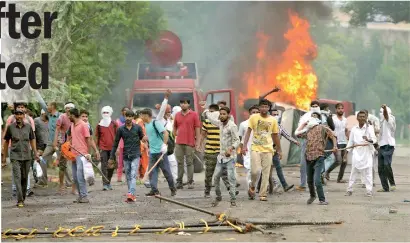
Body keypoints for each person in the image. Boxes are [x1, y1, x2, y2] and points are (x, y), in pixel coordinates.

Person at [242, 99, 282, 201]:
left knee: (266, 172)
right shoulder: (254, 118)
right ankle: (252, 185)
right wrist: (244, 145)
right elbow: (248, 132)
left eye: (266, 107)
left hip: (268, 149)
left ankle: (262, 194)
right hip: (255, 147)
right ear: (259, 107)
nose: (264, 108)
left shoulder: (273, 120)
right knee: (255, 171)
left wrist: (279, 149)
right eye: (262, 106)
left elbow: (275, 135)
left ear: (269, 108)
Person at [202, 104, 240, 207]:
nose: (222, 116)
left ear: (228, 115)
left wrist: (231, 149)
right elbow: (210, 118)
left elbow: (237, 140)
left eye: (224, 114)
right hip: (221, 157)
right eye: (220, 114)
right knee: (216, 177)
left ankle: (233, 199)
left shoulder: (232, 126)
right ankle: (218, 197)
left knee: (231, 178)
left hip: (230, 158)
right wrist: (205, 111)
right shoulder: (220, 124)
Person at [2, 108, 39, 207]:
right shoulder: (11, 127)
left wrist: (35, 153)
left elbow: (32, 139)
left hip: (27, 156)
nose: (18, 116)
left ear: (24, 116)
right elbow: (6, 142)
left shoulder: (28, 127)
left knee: (24, 177)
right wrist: (4, 157)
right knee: (17, 177)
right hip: (15, 156)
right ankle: (19, 200)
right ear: (14, 116)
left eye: (20, 114)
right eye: (17, 114)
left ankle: (22, 197)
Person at [256, 108, 298, 193]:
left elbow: (287, 136)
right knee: (265, 169)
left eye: (277, 114)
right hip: (266, 150)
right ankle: (258, 187)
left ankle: (285, 185)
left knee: (278, 168)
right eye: (274, 114)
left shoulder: (279, 127)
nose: (276, 116)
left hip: (275, 150)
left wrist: (295, 141)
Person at [110, 110, 146, 202]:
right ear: (124, 117)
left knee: (133, 174)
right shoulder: (120, 129)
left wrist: (145, 139)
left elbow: (142, 137)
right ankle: (132, 194)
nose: (129, 118)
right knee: (128, 176)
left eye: (130, 116)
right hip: (126, 155)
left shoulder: (137, 128)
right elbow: (115, 143)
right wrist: (111, 157)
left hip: (136, 154)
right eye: (127, 116)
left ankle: (130, 193)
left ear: (133, 118)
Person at [140, 108, 176, 197]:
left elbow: (166, 133)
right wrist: (146, 138)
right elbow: (152, 136)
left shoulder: (155, 123)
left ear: (146, 115)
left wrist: (164, 145)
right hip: (153, 153)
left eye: (142, 115)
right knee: (152, 172)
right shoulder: (146, 124)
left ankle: (173, 188)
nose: (141, 117)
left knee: (166, 171)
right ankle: (154, 190)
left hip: (161, 152)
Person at [67, 108, 100, 203]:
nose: (68, 117)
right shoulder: (72, 125)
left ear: (73, 115)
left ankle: (84, 196)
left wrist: (88, 154)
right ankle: (81, 196)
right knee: (75, 177)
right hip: (73, 154)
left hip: (82, 154)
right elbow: (71, 139)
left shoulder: (83, 125)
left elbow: (89, 139)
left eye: (69, 115)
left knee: (80, 175)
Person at [303, 113, 337, 205]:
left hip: (319, 156)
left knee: (317, 179)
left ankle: (322, 199)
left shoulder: (323, 128)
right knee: (309, 180)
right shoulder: (307, 130)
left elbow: (333, 136)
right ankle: (312, 195)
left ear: (319, 119)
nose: (313, 118)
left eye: (315, 117)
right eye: (312, 116)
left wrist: (334, 146)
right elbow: (297, 134)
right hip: (308, 156)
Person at [201, 104, 232, 198]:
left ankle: (230, 189)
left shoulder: (223, 123)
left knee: (223, 172)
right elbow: (203, 134)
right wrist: (199, 145)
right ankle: (207, 191)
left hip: (221, 152)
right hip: (210, 151)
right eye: (210, 112)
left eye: (213, 112)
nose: (211, 114)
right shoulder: (206, 122)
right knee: (209, 173)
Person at [345, 111, 377, 197]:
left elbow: (374, 140)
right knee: (353, 171)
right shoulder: (354, 129)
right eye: (360, 116)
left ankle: (369, 190)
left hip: (367, 151)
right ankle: (349, 189)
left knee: (368, 171)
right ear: (357, 118)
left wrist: (368, 139)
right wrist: (346, 154)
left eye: (364, 116)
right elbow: (350, 142)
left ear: (366, 118)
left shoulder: (369, 128)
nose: (362, 118)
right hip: (357, 152)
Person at [173, 97, 201, 189]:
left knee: (189, 162)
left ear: (188, 104)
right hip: (179, 143)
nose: (183, 105)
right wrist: (174, 136)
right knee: (180, 163)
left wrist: (198, 143)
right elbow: (174, 127)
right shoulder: (177, 115)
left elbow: (197, 129)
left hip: (190, 142)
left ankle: (190, 182)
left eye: (185, 103)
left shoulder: (194, 115)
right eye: (181, 103)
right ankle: (179, 182)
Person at [295, 100, 321, 191]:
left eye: (316, 106)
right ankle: (303, 184)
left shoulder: (323, 117)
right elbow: (298, 130)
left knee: (317, 163)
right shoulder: (305, 116)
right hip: (306, 141)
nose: (315, 107)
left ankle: (316, 183)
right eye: (313, 106)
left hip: (318, 143)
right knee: (303, 164)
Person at [324, 103, 349, 183]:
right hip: (335, 142)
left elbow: (345, 130)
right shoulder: (333, 119)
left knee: (344, 161)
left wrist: (348, 136)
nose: (340, 110)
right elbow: (329, 130)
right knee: (338, 160)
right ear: (336, 110)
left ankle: (340, 179)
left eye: (342, 108)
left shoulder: (345, 119)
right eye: (339, 108)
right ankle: (327, 172)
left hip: (344, 142)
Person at [95, 106, 117, 190]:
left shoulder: (114, 124)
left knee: (111, 166)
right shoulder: (99, 124)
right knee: (103, 165)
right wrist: (97, 148)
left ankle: (108, 182)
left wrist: (117, 147)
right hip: (103, 148)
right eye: (104, 112)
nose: (105, 114)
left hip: (112, 148)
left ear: (110, 113)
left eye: (107, 112)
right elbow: (97, 136)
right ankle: (104, 184)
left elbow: (118, 136)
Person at [238, 105, 260, 193]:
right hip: (247, 150)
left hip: (259, 150)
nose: (255, 114)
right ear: (249, 114)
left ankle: (253, 185)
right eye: (253, 112)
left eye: (257, 112)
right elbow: (240, 138)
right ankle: (250, 189)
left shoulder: (263, 123)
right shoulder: (243, 124)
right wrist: (241, 149)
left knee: (258, 171)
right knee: (249, 170)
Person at [377, 105, 396, 192]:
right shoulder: (381, 122)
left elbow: (386, 116)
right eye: (380, 112)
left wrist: (384, 109)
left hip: (389, 145)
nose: (381, 114)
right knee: (380, 168)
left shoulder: (390, 119)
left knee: (386, 165)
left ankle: (392, 184)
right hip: (381, 145)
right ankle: (385, 187)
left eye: (383, 112)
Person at [116, 107, 129, 182]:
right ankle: (119, 176)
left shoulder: (132, 121)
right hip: (121, 143)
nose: (125, 112)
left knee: (129, 161)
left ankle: (130, 176)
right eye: (124, 110)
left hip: (129, 144)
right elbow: (117, 134)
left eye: (127, 111)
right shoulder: (118, 121)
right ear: (122, 112)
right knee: (120, 161)